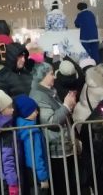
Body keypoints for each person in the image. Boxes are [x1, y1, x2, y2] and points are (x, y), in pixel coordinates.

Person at [29, 62, 77, 195]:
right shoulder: (39, 95)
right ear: (42, 76)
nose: (54, 77)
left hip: (62, 146)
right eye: (51, 74)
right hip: (55, 148)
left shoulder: (49, 92)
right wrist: (66, 106)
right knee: (62, 185)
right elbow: (51, 121)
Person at [14, 94, 49, 194]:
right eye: (34, 110)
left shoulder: (18, 126)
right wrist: (43, 177)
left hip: (27, 174)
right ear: (26, 112)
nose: (37, 112)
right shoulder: (32, 131)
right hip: (37, 176)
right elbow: (35, 156)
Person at [0, 90, 18, 195]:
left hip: (0, 175)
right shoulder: (5, 130)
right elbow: (7, 157)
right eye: (9, 107)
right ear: (1, 110)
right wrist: (12, 183)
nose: (13, 109)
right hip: (6, 178)